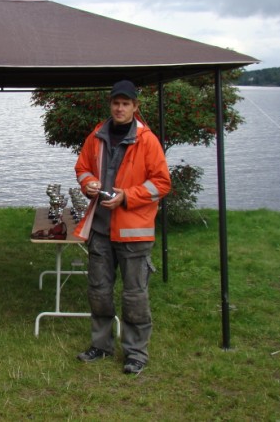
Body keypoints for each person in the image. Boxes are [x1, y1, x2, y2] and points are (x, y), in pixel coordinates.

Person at [73, 80, 171, 374]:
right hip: (101, 230)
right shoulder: (96, 135)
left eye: (125, 103)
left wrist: (127, 197)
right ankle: (101, 346)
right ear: (110, 104)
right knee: (99, 292)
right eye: (116, 102)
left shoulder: (148, 141)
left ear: (135, 107)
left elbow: (162, 183)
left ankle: (135, 353)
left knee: (134, 296)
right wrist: (89, 183)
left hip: (134, 234)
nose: (119, 108)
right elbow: (82, 168)